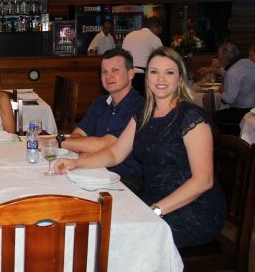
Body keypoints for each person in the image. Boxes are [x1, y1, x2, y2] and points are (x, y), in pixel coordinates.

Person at [55, 47, 226, 248]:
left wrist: (156, 210)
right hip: (152, 198)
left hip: (192, 210)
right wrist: (75, 163)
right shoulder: (143, 114)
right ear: (147, 78)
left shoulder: (191, 117)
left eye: (169, 72)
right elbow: (115, 154)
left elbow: (203, 181)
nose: (160, 78)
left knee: (118, 239)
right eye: (154, 72)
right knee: (94, 222)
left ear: (180, 78)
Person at [61, 48, 144, 192]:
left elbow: (104, 146)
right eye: (104, 72)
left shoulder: (139, 107)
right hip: (93, 170)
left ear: (131, 74)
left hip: (125, 181)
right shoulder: (100, 103)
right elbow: (77, 135)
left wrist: (59, 141)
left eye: (115, 70)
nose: (108, 76)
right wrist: (84, 148)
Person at [216, 43, 255, 130]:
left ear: (225, 58)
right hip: (253, 110)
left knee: (212, 116)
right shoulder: (247, 62)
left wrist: (222, 90)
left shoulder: (233, 71)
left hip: (242, 112)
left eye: (219, 57)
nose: (218, 60)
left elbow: (228, 100)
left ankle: (226, 138)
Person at [122, 17, 163, 96]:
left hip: (126, 74)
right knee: (143, 101)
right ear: (156, 28)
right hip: (141, 77)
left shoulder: (129, 35)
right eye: (160, 30)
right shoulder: (154, 38)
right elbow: (162, 58)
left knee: (128, 99)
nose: (159, 33)